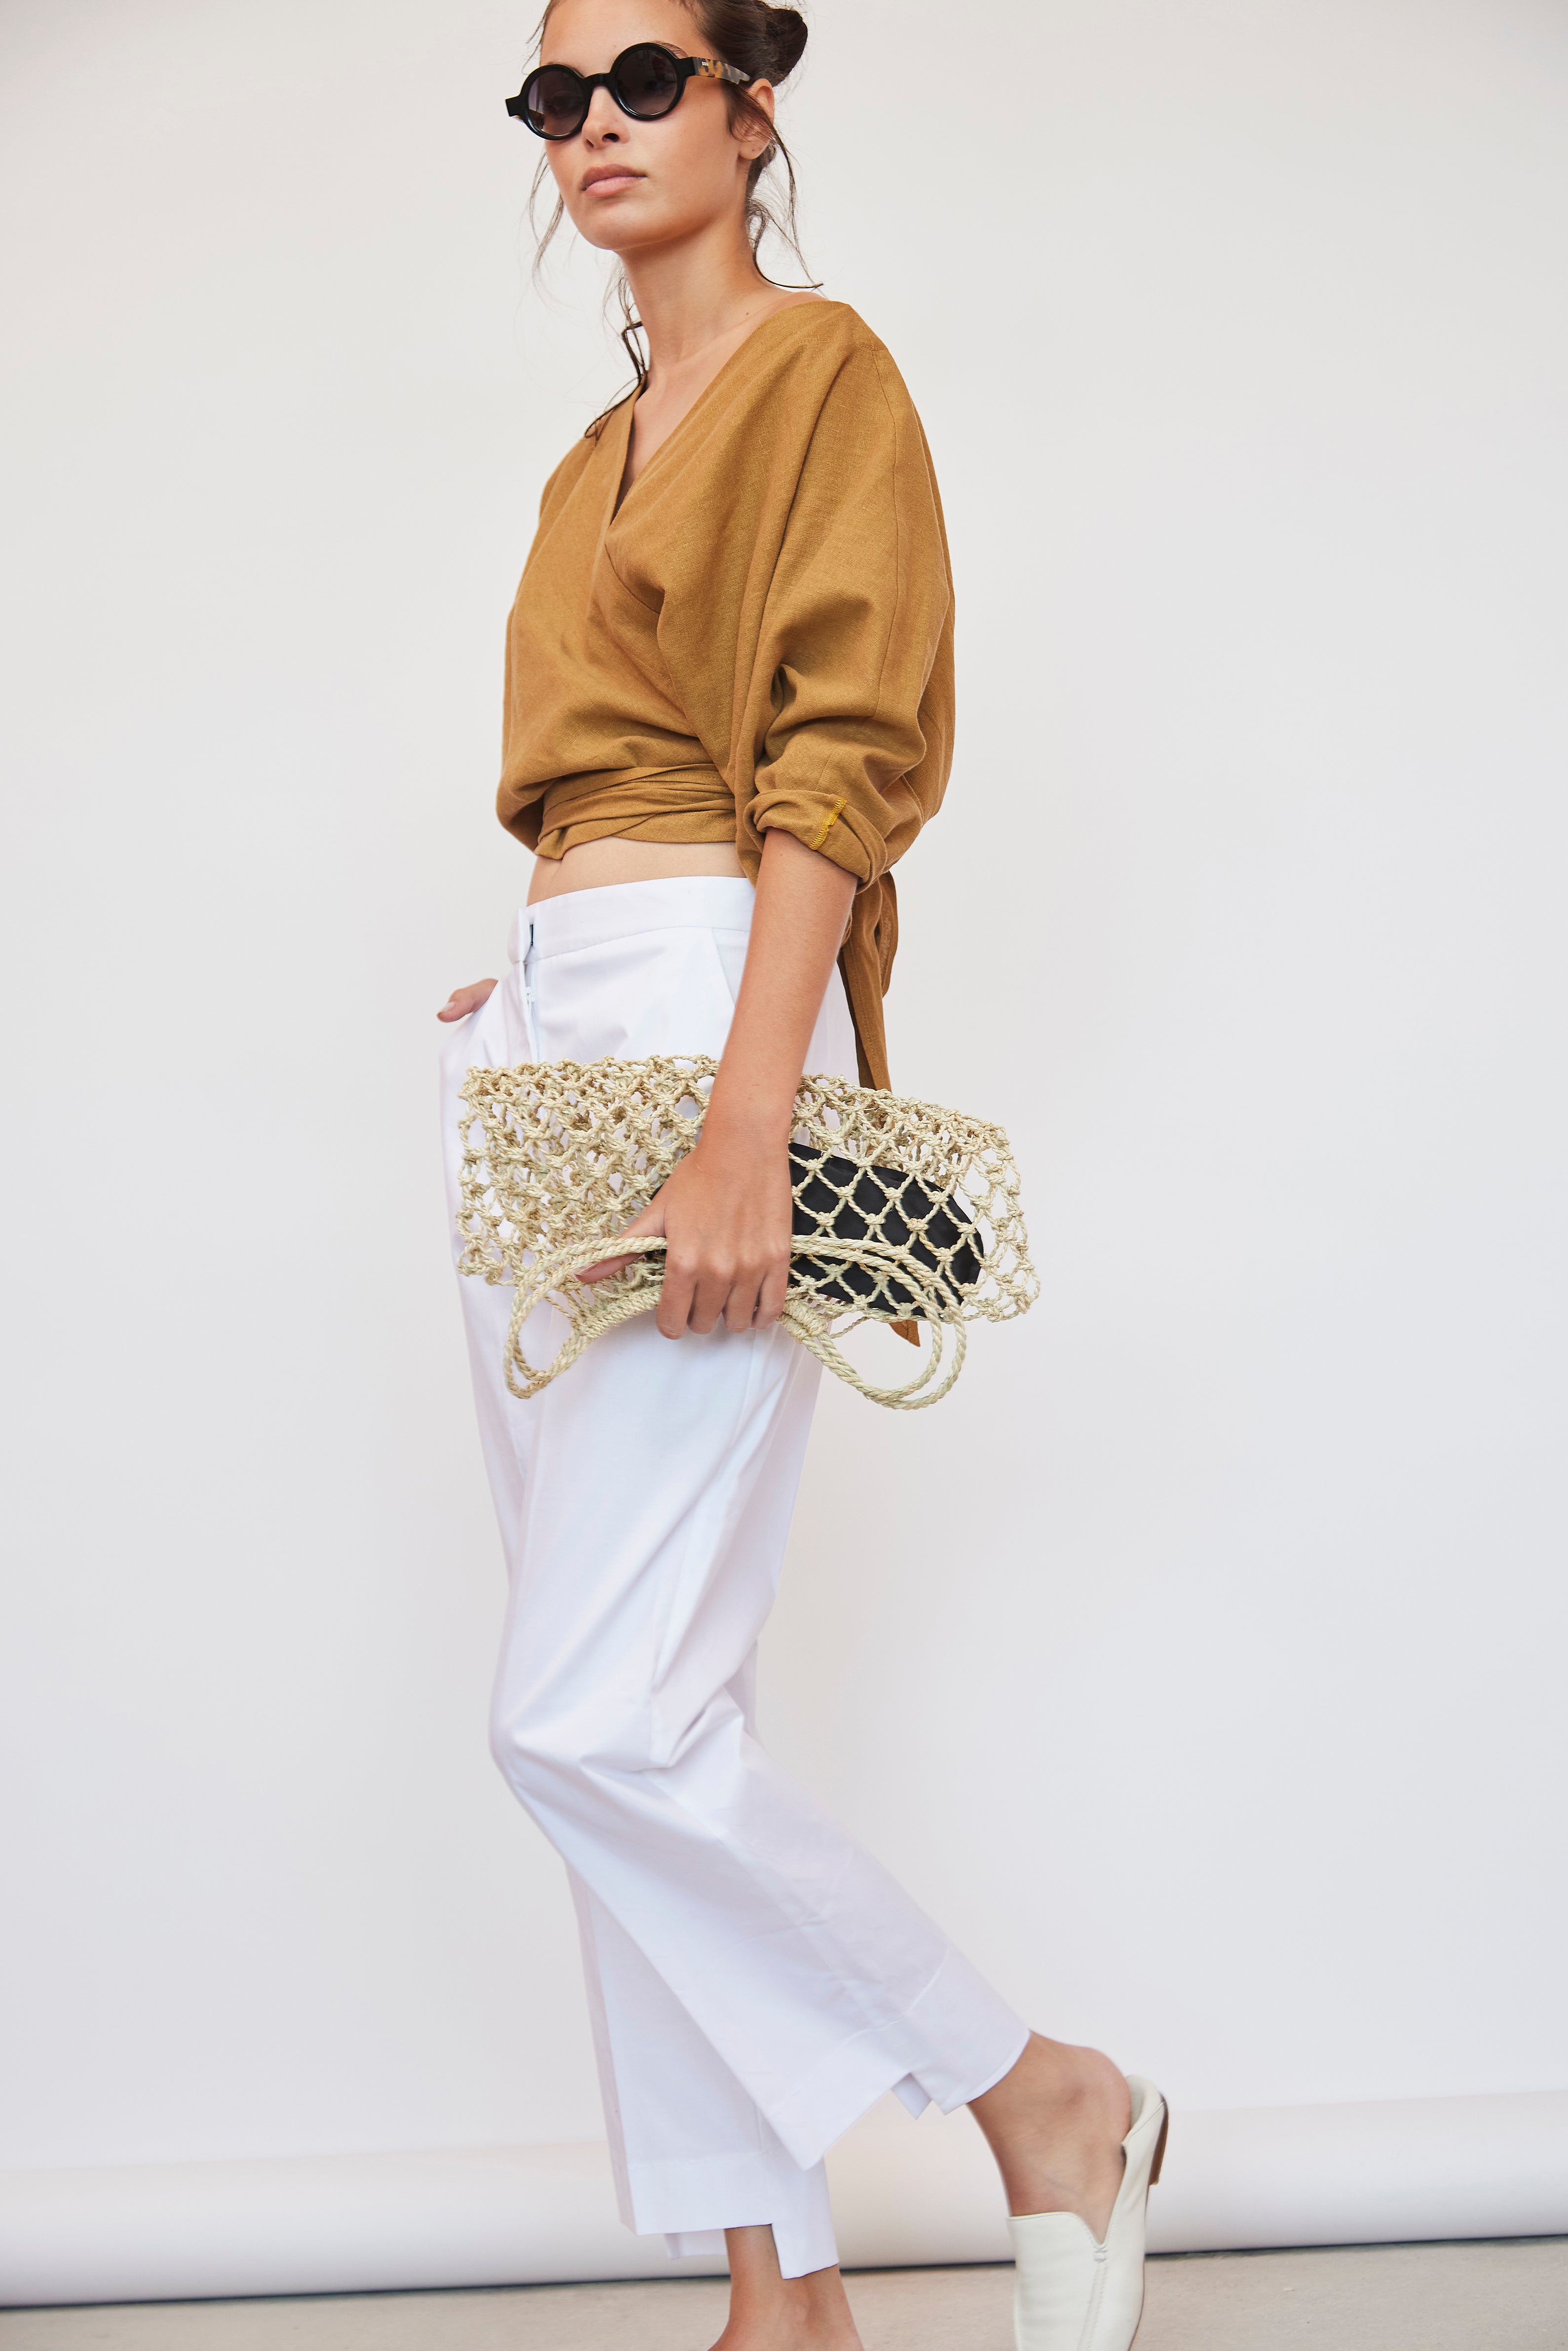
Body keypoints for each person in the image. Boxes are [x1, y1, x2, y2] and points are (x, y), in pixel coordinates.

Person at [437, 3, 1165, 2344]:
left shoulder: (823, 375)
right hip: (547, 1049)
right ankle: (784, 2296)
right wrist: (525, 982)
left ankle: (1040, 2092)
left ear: (754, 111)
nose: (595, 127)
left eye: (645, 77)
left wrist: (751, 1105)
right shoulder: (591, 455)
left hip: (702, 1029)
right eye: (556, 96)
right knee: (645, 1719)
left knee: (584, 1712)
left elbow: (836, 763)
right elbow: (594, 777)